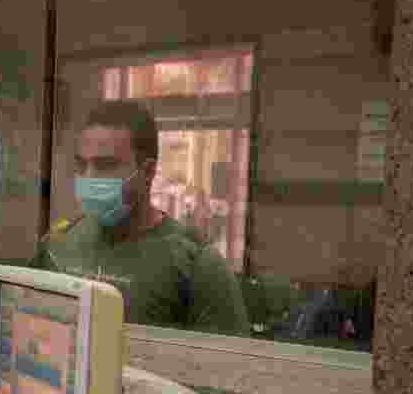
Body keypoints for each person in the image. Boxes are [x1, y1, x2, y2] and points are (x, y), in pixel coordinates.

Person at [30, 101, 250, 336]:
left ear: (147, 172)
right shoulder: (56, 246)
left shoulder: (197, 265)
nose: (89, 178)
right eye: (82, 165)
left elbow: (229, 368)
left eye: (106, 165)